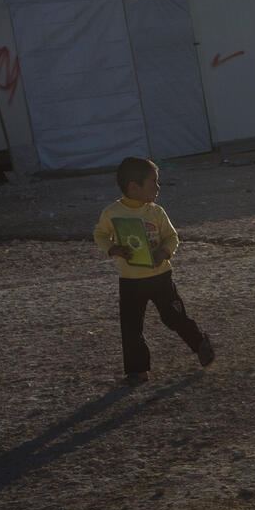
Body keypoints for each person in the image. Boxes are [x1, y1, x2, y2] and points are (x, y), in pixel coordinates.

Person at [93, 156, 213, 385]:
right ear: (133, 187)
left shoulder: (156, 212)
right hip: (130, 280)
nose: (158, 188)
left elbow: (171, 237)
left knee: (174, 317)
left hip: (160, 277)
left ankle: (200, 344)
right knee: (130, 326)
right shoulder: (112, 213)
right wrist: (113, 249)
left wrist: (163, 253)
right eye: (153, 183)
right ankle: (138, 371)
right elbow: (100, 234)